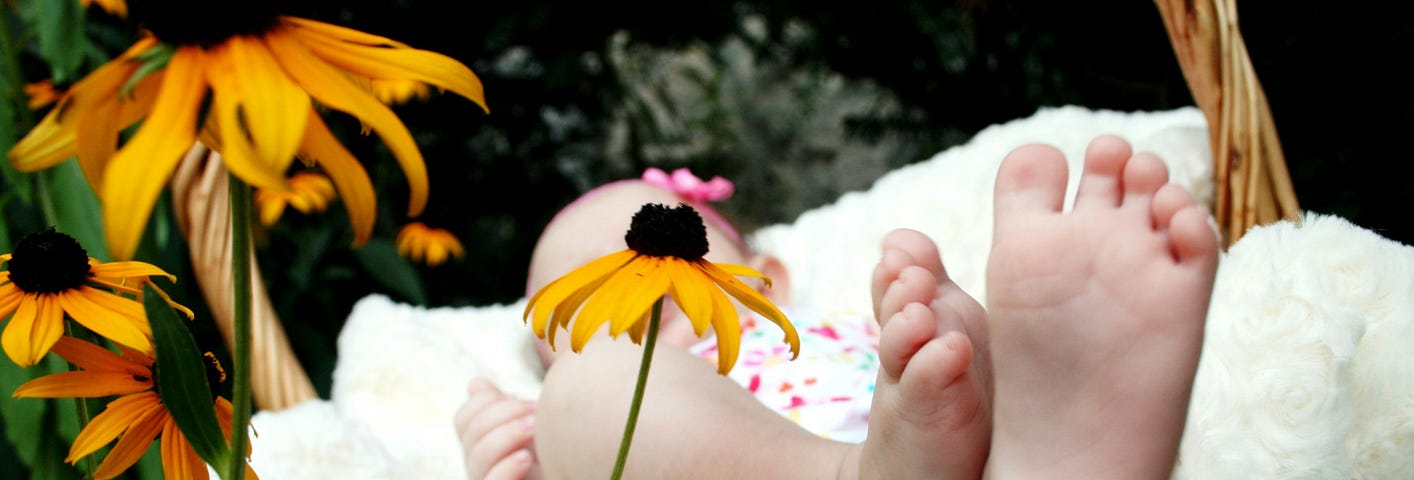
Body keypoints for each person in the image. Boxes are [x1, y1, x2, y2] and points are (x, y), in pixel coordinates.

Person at [454, 134, 1220, 479]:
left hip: (939, 439)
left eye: (667, 259)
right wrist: (526, 463)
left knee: (942, 352)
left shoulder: (859, 339)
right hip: (855, 461)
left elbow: (918, 360)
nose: (632, 285)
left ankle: (1046, 435)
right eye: (585, 311)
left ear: (770, 282)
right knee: (593, 398)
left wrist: (954, 370)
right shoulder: (601, 415)